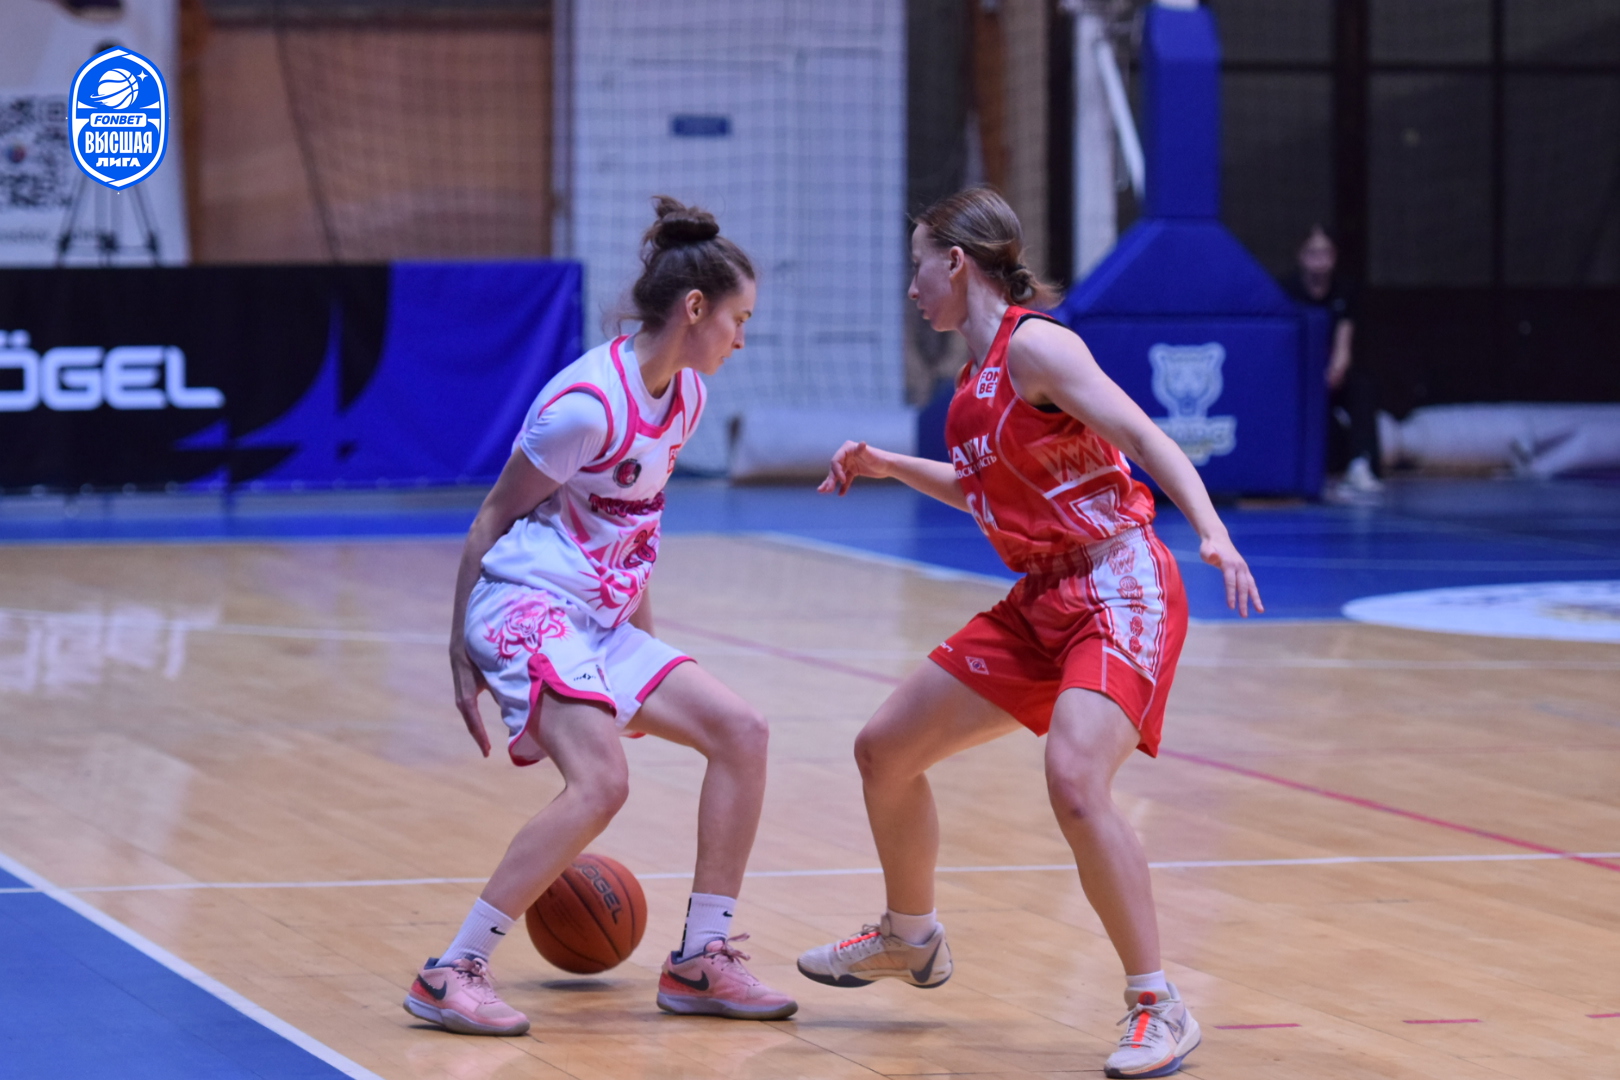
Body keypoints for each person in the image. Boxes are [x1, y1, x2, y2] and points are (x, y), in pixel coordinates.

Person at [798, 188, 1262, 1079]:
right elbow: (984, 492)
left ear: (956, 263)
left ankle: (1159, 1006)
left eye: (918, 266)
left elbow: (1142, 434)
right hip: (1042, 596)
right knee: (883, 751)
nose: (911, 288)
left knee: (1075, 779)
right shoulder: (969, 390)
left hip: (1118, 582)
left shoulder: (1037, 347)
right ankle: (911, 935)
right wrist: (890, 465)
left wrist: (1211, 529)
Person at [404, 196, 797, 1036]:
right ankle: (452, 970)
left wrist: (642, 660)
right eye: (739, 320)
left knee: (743, 732)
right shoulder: (587, 404)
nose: (742, 338)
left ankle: (701, 959)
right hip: (523, 604)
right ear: (695, 309)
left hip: (598, 622)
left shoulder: (686, 398)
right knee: (603, 783)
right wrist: (458, 649)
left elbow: (635, 531)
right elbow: (492, 516)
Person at [1281, 225, 1382, 499]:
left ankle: (1361, 465)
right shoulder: (1288, 290)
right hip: (1301, 375)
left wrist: (1338, 366)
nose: (1319, 259)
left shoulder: (1344, 290)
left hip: (1332, 372)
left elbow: (1344, 335)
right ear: (1301, 256)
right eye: (1313, 253)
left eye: (1325, 253)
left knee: (1361, 389)